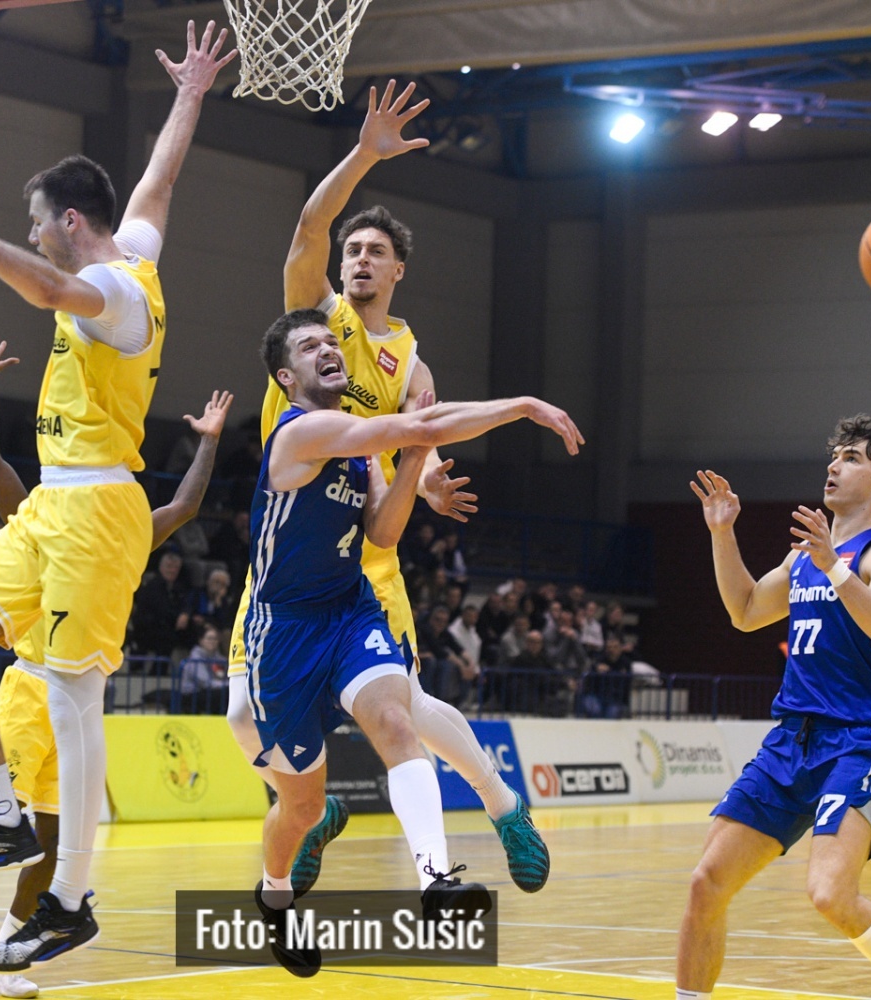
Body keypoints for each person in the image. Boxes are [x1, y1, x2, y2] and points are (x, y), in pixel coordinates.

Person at [0, 27, 233, 964]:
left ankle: (72, 898)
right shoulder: (130, 244)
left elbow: (47, 286)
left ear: (71, 222)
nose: (35, 230)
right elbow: (159, 183)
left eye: (38, 219)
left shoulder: (116, 294)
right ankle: (0, 814)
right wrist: (190, 94)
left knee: (75, 701)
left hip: (99, 510)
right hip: (53, 504)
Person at [223, 83, 556, 901]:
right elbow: (309, 229)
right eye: (352, 251)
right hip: (288, 555)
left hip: (364, 558)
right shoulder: (316, 328)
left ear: (398, 269)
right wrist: (364, 154)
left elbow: (418, 443)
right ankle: (308, 809)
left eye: (374, 251)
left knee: (404, 708)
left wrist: (428, 478)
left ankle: (499, 811)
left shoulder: (411, 361)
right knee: (239, 716)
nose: (358, 260)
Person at [241, 310, 580, 975]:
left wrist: (416, 458)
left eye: (331, 340)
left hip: (349, 610)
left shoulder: (359, 445)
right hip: (284, 632)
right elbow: (422, 423)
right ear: (286, 377)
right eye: (309, 346)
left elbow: (384, 531)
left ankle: (435, 881)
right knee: (302, 806)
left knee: (397, 719)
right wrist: (521, 406)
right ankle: (274, 897)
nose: (327, 349)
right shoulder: (301, 431)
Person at [0, 337, 230, 996]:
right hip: (29, 691)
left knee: (55, 844)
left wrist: (207, 442)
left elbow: (185, 508)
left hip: (82, 701)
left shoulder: (124, 535)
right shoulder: (37, 517)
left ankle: (4, 949)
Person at [676, 415, 871, 1000]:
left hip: (856, 739)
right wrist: (722, 533)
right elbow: (746, 611)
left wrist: (835, 567)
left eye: (851, 457)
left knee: (830, 895)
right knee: (706, 883)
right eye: (834, 455)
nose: (833, 465)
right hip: (791, 741)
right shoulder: (804, 558)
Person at [178, 622, 229, 713]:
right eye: (209, 638)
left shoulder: (220, 659)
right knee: (224, 693)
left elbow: (221, 676)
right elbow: (205, 682)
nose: (212, 641)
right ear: (201, 641)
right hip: (192, 693)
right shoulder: (194, 659)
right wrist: (227, 685)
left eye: (215, 639)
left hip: (211, 691)